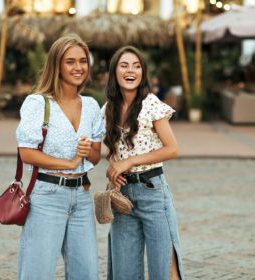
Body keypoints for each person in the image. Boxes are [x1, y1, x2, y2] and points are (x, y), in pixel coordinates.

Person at [16, 33, 104, 280]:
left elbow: (96, 157)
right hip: (47, 195)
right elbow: (27, 153)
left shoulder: (91, 106)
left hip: (82, 197)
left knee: (86, 273)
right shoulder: (38, 103)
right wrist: (68, 163)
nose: (78, 67)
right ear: (57, 65)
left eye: (83, 61)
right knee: (37, 272)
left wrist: (87, 151)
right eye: (70, 61)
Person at [102, 46, 184, 280]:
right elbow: (112, 149)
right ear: (115, 72)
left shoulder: (150, 104)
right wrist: (114, 167)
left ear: (143, 73)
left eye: (137, 66)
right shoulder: (108, 108)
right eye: (124, 65)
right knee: (123, 272)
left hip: (152, 193)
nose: (131, 71)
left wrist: (130, 162)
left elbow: (172, 148)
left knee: (165, 270)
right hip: (123, 196)